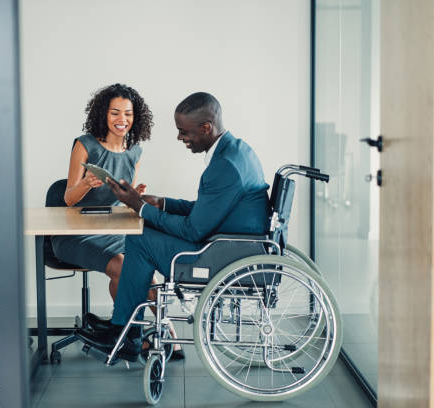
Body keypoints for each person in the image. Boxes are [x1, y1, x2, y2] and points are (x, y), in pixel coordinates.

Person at [81, 92, 271, 362]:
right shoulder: (237, 150)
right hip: (229, 242)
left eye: (184, 132)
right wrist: (163, 203)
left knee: (139, 240)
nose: (181, 138)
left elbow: (194, 230)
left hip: (221, 254)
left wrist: (140, 207)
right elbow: (212, 208)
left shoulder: (225, 166)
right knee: (143, 234)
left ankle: (124, 333)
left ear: (206, 127)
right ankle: (124, 331)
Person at [52, 83, 151, 302]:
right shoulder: (85, 145)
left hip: (112, 230)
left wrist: (133, 195)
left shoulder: (135, 152)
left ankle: (156, 331)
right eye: (115, 113)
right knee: (124, 267)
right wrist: (86, 183)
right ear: (103, 115)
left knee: (146, 271)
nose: (122, 119)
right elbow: (68, 199)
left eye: (128, 114)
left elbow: (124, 206)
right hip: (75, 234)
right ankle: (130, 333)